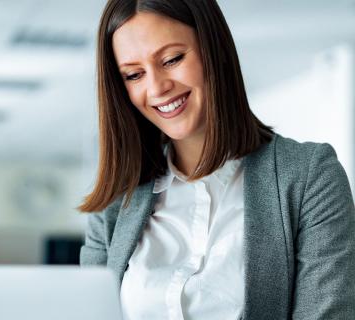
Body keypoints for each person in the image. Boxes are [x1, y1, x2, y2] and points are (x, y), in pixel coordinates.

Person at [78, 0, 355, 319]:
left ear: (214, 48)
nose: (157, 87)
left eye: (172, 59)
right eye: (134, 74)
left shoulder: (308, 176)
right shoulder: (116, 200)